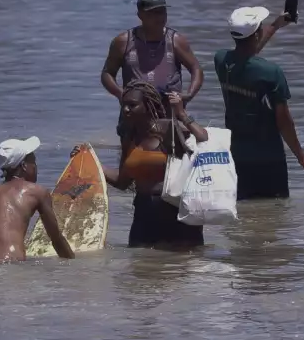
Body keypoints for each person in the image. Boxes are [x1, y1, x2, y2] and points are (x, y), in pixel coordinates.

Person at [77, 81, 208, 249]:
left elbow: (203, 139)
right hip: (143, 212)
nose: (126, 110)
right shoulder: (129, 137)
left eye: (132, 105)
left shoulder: (168, 129)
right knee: (140, 266)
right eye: (124, 105)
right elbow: (122, 182)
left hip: (176, 211)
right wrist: (89, 160)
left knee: (179, 269)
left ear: (148, 106)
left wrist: (181, 114)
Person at [214, 6, 304, 200]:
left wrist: (275, 26)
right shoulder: (271, 72)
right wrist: (301, 155)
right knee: (274, 213)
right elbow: (284, 121)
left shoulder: (221, 61)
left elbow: (245, 54)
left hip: (237, 154)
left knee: (243, 210)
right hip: (268, 157)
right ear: (257, 34)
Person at [101, 0, 204, 138]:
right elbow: (107, 73)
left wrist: (189, 95)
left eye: (162, 12)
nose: (160, 17)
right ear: (140, 15)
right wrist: (120, 94)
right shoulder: (123, 41)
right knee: (132, 159)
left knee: (174, 154)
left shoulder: (176, 40)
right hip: (134, 117)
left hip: (169, 115)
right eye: (153, 13)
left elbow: (196, 69)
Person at [0, 136, 75, 264]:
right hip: (13, 265)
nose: (36, 167)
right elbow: (56, 239)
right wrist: (74, 266)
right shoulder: (36, 192)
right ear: (24, 166)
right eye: (33, 162)